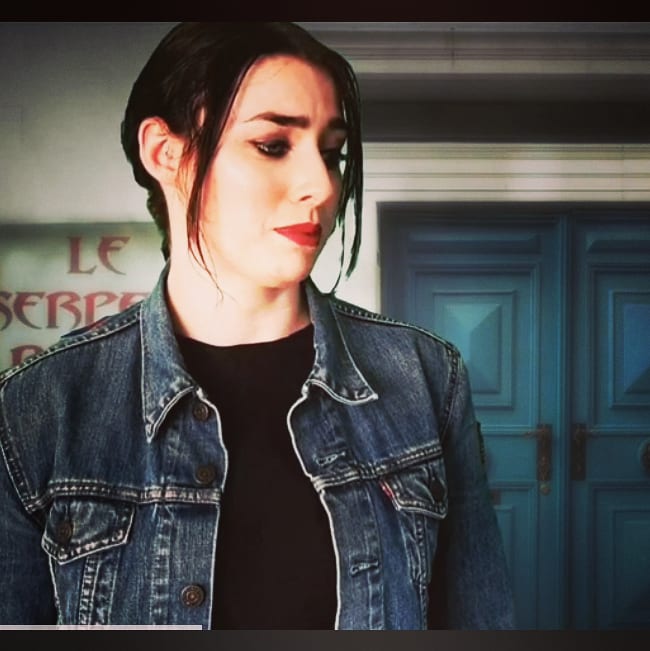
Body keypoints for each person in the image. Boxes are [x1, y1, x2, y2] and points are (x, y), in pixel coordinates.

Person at [0, 22, 515, 630]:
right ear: (166, 153)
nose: (321, 187)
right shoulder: (39, 408)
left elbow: (480, 620)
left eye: (332, 153)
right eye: (273, 145)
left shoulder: (426, 378)